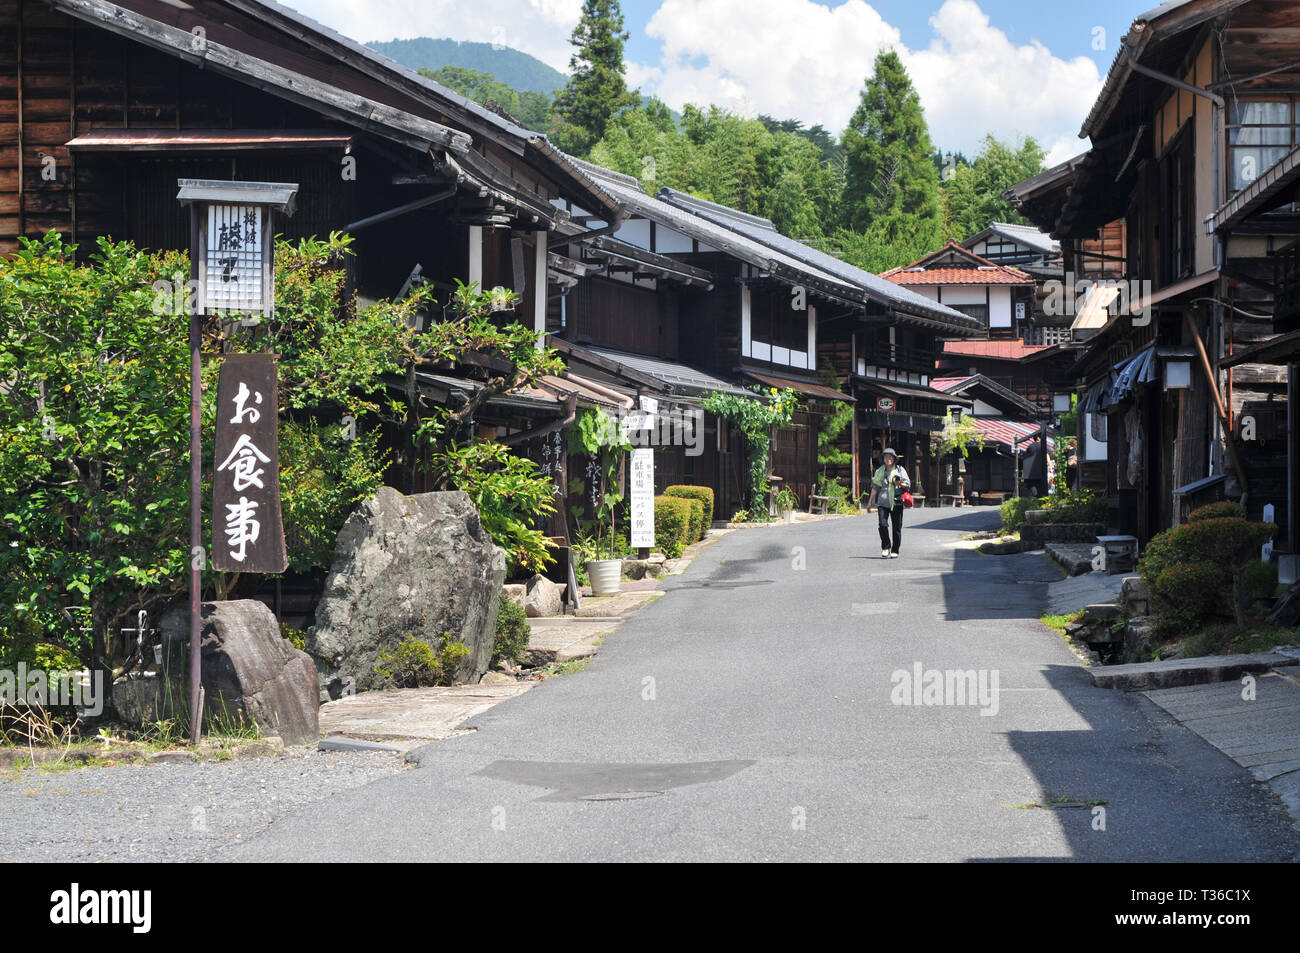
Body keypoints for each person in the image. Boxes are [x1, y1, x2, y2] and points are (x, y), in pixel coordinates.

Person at [868, 447, 910, 558]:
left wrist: (899, 484)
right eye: (886, 456)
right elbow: (875, 487)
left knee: (896, 528)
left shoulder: (900, 470)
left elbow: (907, 485)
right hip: (882, 502)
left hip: (897, 501)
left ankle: (895, 550)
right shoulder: (879, 471)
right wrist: (869, 503)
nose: (888, 459)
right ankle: (886, 547)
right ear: (883, 459)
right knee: (882, 524)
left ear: (894, 458)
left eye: (890, 456)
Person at [1020, 434, 1047, 499]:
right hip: (1041, 471)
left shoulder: (1030, 447)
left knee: (1033, 488)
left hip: (1030, 473)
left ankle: (1035, 499)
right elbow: (1047, 456)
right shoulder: (1042, 446)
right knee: (1041, 490)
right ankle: (1040, 501)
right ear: (1038, 438)